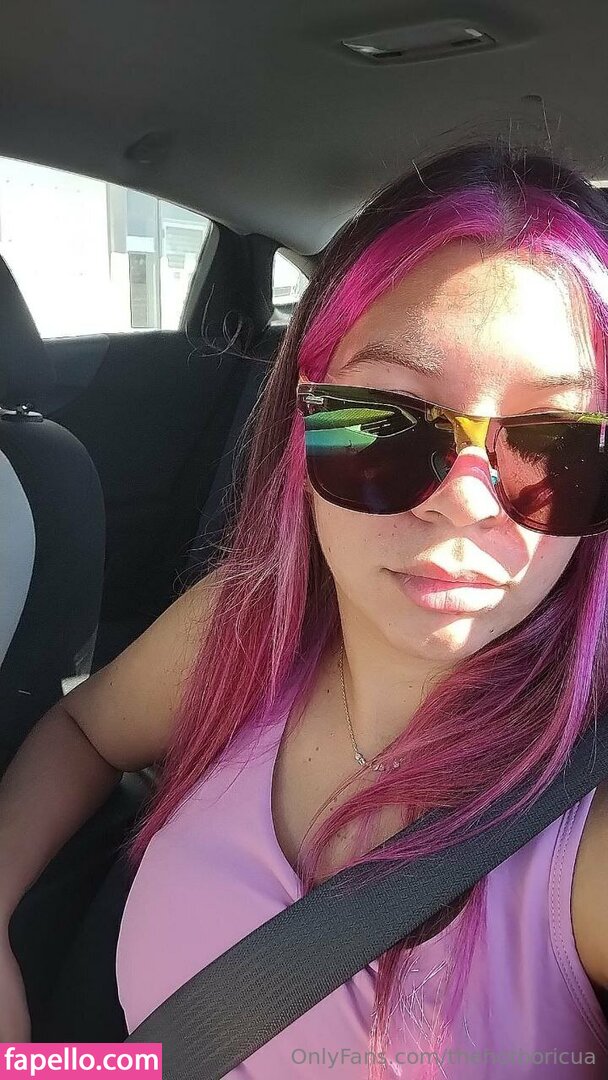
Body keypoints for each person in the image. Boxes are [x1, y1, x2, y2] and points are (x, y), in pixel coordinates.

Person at [1, 140, 608, 1078]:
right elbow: (83, 729)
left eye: (556, 444)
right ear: (302, 427)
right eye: (383, 422)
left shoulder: (585, 832)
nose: (465, 502)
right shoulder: (245, 630)